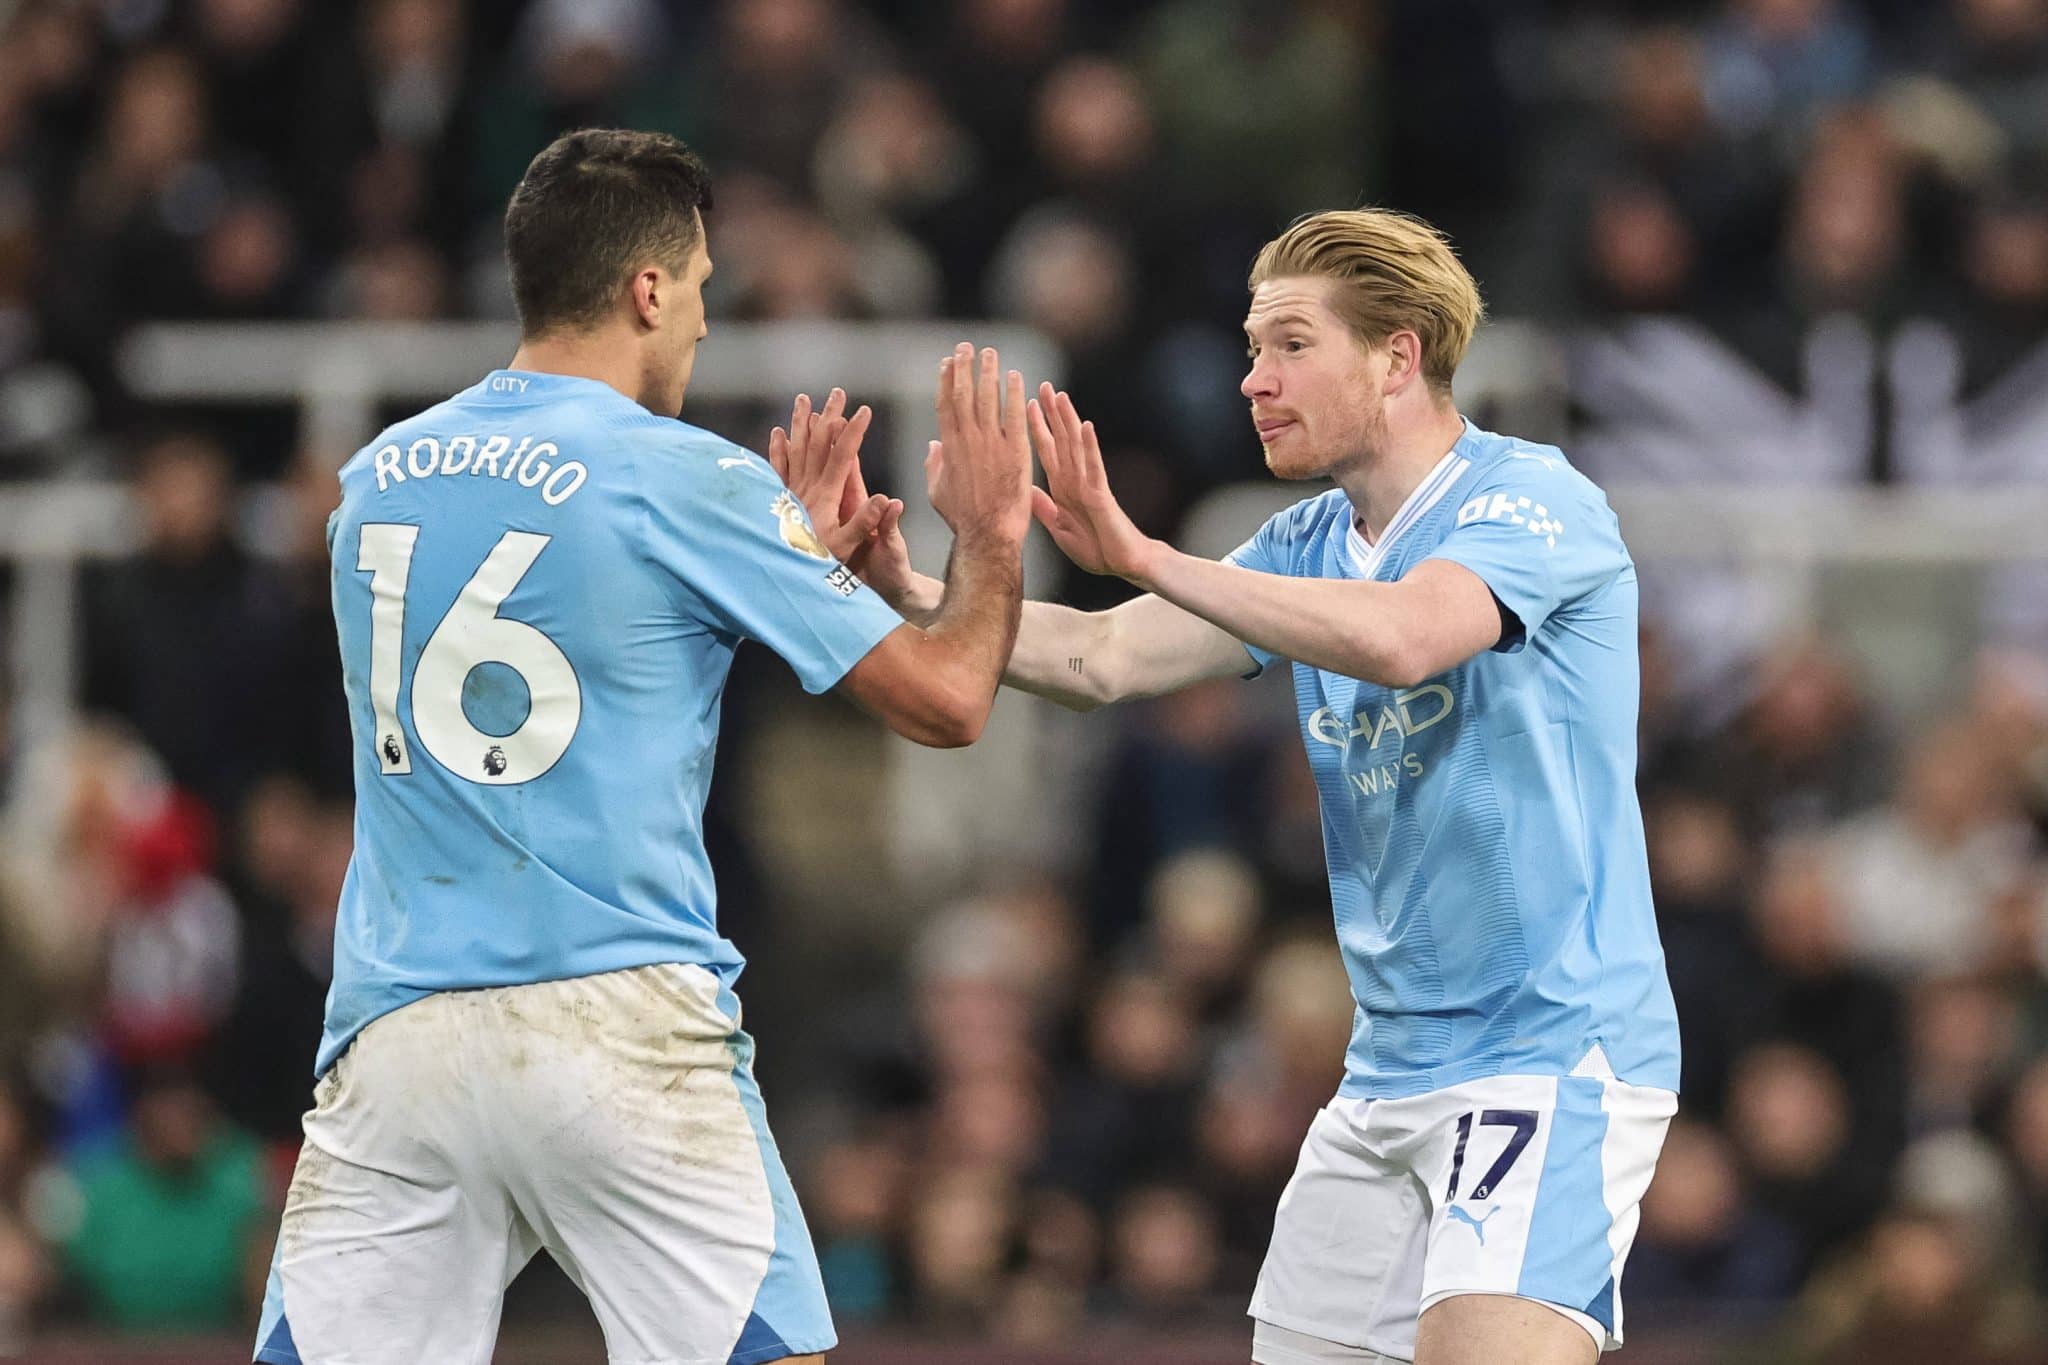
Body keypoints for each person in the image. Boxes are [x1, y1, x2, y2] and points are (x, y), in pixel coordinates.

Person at [792, 209, 1681, 1364]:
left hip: (1550, 1056)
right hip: (1388, 1073)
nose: (1253, 381)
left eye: (1291, 346)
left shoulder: (1531, 501)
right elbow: (1099, 660)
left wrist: (1153, 554)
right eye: (1251, 349)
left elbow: (1410, 636)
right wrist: (899, 584)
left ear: (1397, 355)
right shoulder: (1304, 540)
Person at [252, 128, 1033, 1365]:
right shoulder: (686, 479)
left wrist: (776, 579)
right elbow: (947, 700)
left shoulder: (376, 480)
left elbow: (579, 649)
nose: (707, 327)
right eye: (706, 288)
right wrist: (988, 534)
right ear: (648, 288)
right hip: (614, 1017)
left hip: (400, 1036)